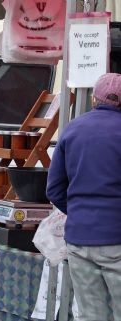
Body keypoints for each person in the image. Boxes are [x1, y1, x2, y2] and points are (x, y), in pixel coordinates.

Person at [46, 73, 121, 321]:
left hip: (79, 239)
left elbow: (54, 189)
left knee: (91, 315)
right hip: (116, 238)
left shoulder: (71, 129)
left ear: (93, 100)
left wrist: (79, 211)